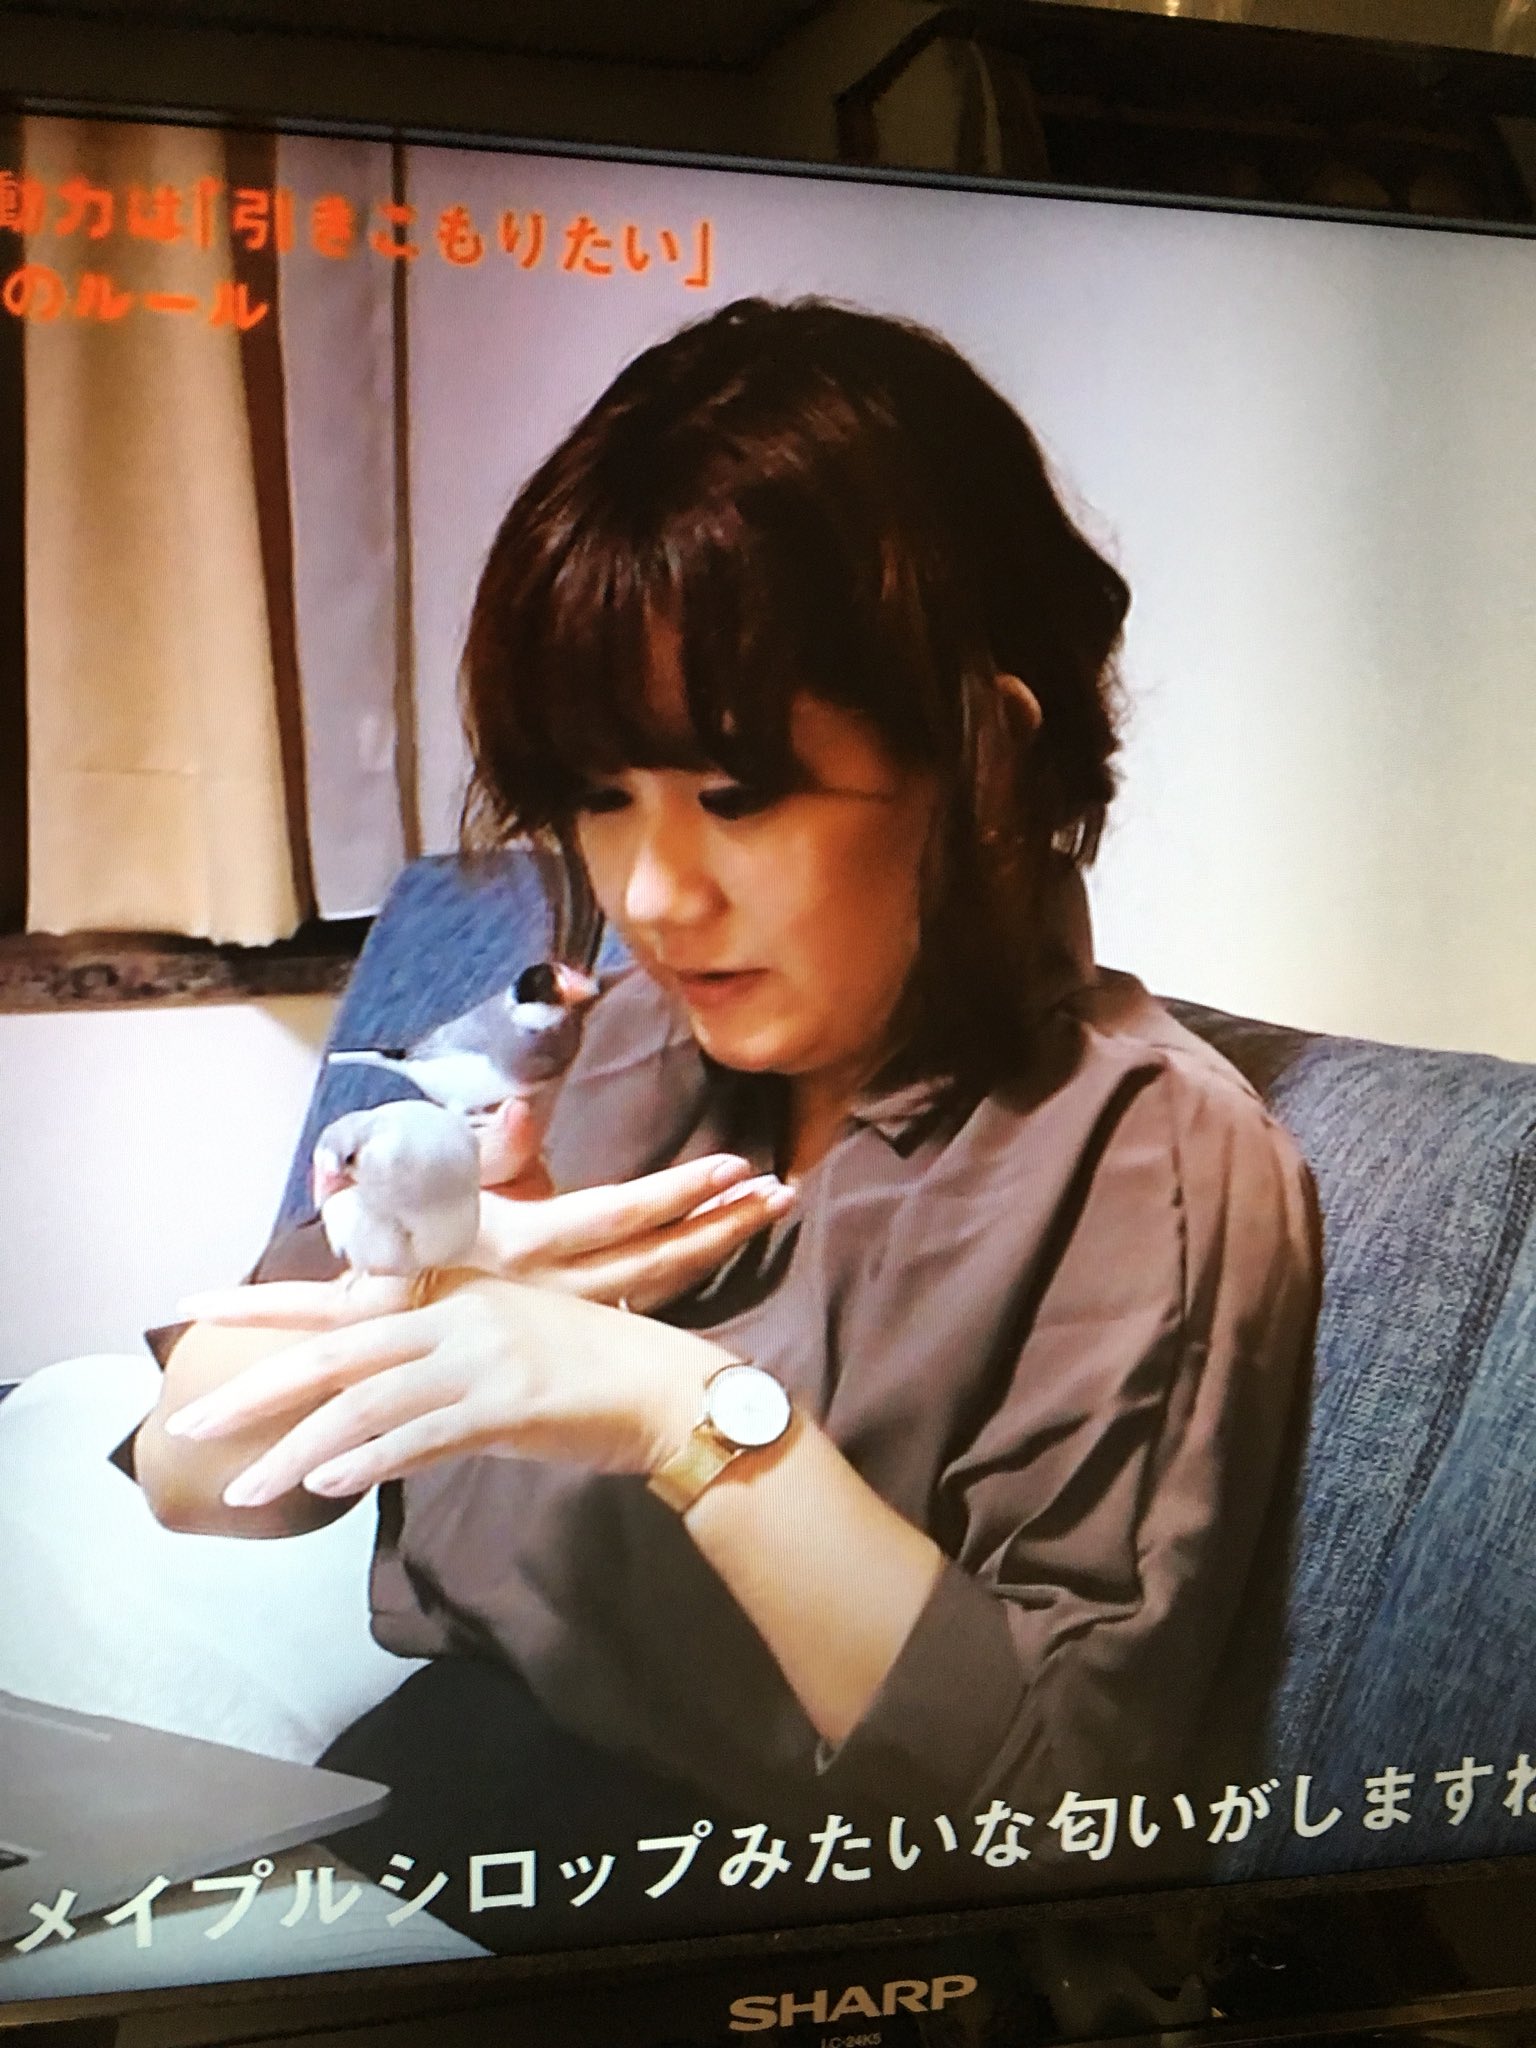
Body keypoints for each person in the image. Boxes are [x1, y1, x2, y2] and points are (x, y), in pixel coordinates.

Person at [136, 297, 1318, 1941]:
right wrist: (431, 1290)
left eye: (739, 795)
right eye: (601, 797)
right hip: (414, 1834)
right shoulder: (615, 1045)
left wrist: (686, 1410)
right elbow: (193, 1471)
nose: (652, 894)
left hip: (774, 1944)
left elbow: (1059, 1814)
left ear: (987, 763)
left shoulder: (1144, 1156)